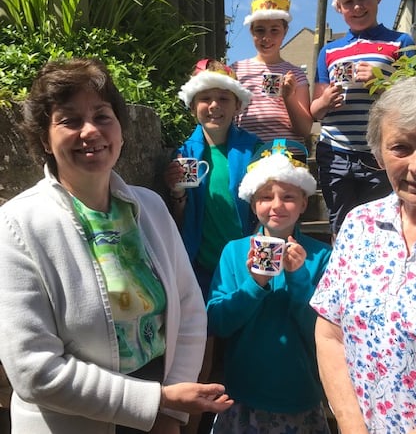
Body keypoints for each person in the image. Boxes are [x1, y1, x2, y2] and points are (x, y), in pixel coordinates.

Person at [0, 58, 233, 434]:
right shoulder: (17, 224)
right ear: (45, 138)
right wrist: (156, 403)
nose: (90, 131)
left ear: (121, 130)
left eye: (102, 116)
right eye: (70, 120)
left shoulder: (151, 207)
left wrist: (170, 415)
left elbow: (190, 309)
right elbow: (33, 369)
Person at [310, 74, 416, 434]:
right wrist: (351, 423)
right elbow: (330, 332)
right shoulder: (360, 225)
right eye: (400, 148)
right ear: (378, 152)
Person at [208, 139, 333, 434]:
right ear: (253, 203)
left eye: (288, 196)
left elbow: (324, 332)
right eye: (265, 197)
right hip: (243, 394)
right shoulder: (234, 252)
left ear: (304, 203)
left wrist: (299, 278)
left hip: (300, 394)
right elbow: (217, 321)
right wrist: (255, 284)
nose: (276, 205)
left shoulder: (320, 255)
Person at [164, 58, 262, 434]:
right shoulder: (183, 152)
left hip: (242, 266)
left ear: (238, 105)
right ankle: (192, 428)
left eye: (224, 98)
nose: (214, 106)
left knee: (244, 349)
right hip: (199, 268)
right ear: (193, 106)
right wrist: (175, 191)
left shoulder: (253, 150)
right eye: (205, 98)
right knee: (196, 362)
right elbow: (175, 220)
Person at [310, 0, 416, 241]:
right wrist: (324, 101)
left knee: (384, 222)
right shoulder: (329, 51)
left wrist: (383, 81)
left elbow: (415, 98)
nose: (357, 6)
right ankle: (343, 274)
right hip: (335, 151)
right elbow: (315, 110)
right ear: (339, 7)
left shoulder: (401, 42)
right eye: (348, 1)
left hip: (379, 153)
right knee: (340, 222)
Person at [231, 0, 312, 154]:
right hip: (248, 155)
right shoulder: (236, 70)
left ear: (285, 31)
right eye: (260, 30)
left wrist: (288, 97)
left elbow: (304, 129)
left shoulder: (296, 74)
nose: (266, 37)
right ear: (251, 31)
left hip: (288, 156)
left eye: (274, 30)